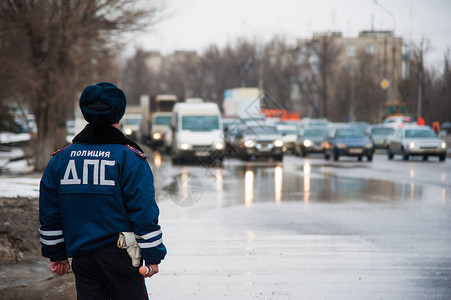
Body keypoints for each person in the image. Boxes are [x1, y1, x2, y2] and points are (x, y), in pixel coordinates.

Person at [39, 82, 166, 299]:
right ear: (119, 114)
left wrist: (56, 254)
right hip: (122, 257)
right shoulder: (130, 158)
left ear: (85, 111)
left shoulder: (61, 158)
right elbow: (143, 210)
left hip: (82, 258)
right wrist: (152, 254)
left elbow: (50, 211)